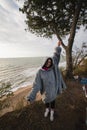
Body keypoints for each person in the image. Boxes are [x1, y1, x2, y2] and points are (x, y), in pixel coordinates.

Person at [27, 41, 67, 121]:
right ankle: (47, 110)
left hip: (53, 91)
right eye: (47, 62)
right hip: (45, 92)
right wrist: (31, 96)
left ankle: (52, 112)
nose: (49, 63)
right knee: (46, 102)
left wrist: (58, 47)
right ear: (44, 62)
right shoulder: (40, 72)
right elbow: (36, 85)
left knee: (52, 103)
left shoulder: (53, 67)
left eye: (50, 62)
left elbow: (56, 56)